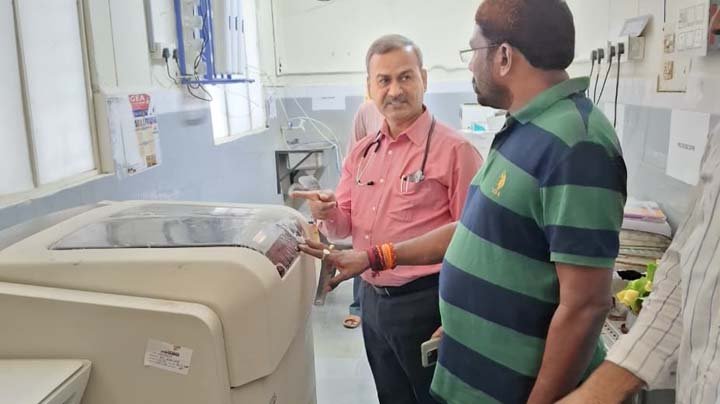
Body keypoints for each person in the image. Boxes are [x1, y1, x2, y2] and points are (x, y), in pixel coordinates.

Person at [301, 1, 627, 403]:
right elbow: (474, 230)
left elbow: (585, 305)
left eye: (473, 51)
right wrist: (456, 318)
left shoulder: (576, 143)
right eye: (382, 80)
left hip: (516, 384)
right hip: (470, 362)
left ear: (503, 56)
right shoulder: (524, 131)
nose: (470, 65)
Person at [293, 34, 482, 404]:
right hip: (372, 302)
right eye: (384, 80)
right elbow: (344, 225)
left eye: (405, 77)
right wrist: (328, 212)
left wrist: (461, 316)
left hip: (429, 301)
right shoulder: (363, 152)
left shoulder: (456, 151)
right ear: (370, 88)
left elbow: (476, 244)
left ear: (424, 79)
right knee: (391, 395)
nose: (395, 90)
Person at [343, 101, 384, 330]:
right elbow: (353, 155)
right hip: (367, 191)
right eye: (383, 83)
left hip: (394, 196)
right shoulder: (366, 111)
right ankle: (358, 306)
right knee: (362, 249)